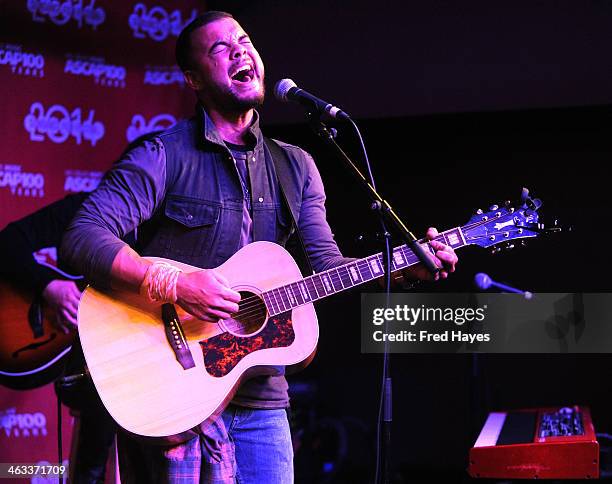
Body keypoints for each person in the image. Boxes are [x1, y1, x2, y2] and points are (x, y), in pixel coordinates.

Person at [60, 11, 458, 483]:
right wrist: (176, 283)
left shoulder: (297, 166)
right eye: (220, 49)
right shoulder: (163, 155)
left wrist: (405, 268)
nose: (240, 50)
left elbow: (327, 266)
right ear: (194, 80)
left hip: (262, 401)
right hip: (172, 393)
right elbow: (82, 236)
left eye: (244, 40)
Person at [0, 192, 116, 484]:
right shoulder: (90, 206)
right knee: (105, 393)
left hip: (139, 356)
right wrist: (48, 286)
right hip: (83, 365)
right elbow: (6, 245)